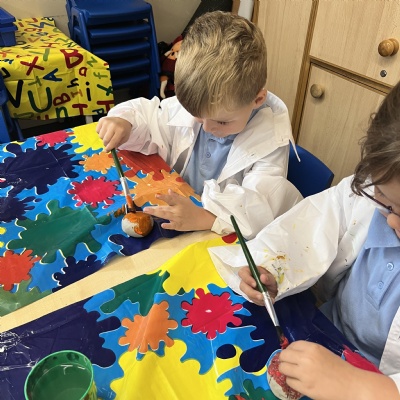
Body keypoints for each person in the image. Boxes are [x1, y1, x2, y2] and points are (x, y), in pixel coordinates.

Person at [209, 80, 400, 399]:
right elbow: (316, 221)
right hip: (327, 336)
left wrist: (367, 387)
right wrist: (271, 266)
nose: (392, 221)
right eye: (387, 202)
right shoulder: (371, 188)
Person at [96, 11, 301, 239]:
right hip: (183, 211)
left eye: (221, 121)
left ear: (257, 99)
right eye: (197, 116)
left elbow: (258, 209)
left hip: (222, 233)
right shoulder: (205, 105)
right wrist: (125, 121)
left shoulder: (270, 142)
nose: (207, 128)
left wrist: (206, 218)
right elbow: (151, 115)